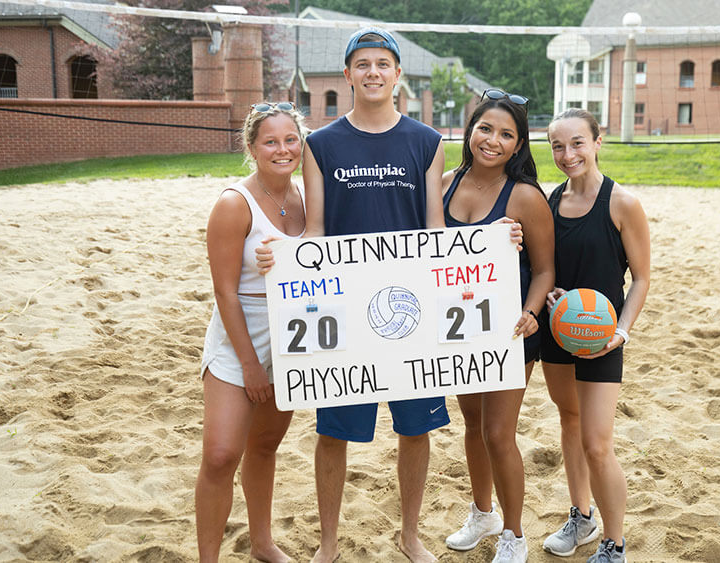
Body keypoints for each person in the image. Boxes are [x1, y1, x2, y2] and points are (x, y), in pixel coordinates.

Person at [302, 27, 448, 563]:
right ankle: (329, 543)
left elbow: (434, 231)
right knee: (334, 432)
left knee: (416, 429)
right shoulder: (320, 146)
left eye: (382, 64)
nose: (372, 73)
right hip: (344, 311)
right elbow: (315, 233)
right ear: (347, 74)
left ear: (397, 75)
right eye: (362, 64)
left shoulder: (426, 142)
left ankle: (410, 536)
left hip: (408, 310)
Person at [440, 89, 554, 563]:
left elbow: (546, 269)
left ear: (518, 145)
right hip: (459, 328)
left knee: (498, 433)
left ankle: (514, 533)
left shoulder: (524, 196)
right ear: (470, 131)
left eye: (506, 134)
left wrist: (531, 312)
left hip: (510, 332)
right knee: (471, 425)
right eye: (485, 128)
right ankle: (482, 512)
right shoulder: (444, 183)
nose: (493, 140)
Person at [195, 102, 308, 563]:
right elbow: (224, 294)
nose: (282, 149)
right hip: (238, 339)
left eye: (290, 140)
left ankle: (262, 544)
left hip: (290, 340)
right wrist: (248, 365)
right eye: (271, 141)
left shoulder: (306, 196)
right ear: (251, 147)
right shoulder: (232, 203)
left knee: (264, 446)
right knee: (222, 455)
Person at [538, 108, 650, 563]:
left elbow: (641, 278)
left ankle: (614, 543)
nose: (568, 155)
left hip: (602, 338)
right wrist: (551, 296)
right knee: (569, 420)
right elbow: (546, 270)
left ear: (598, 142)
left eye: (577, 143)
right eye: (558, 147)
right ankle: (581, 517)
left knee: (598, 444)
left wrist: (622, 331)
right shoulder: (549, 201)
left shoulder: (622, 203)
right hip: (559, 333)